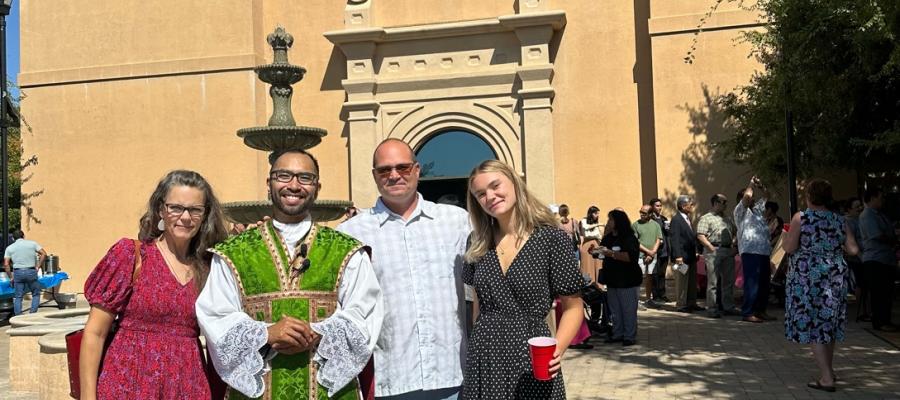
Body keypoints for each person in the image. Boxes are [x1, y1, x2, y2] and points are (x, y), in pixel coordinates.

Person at [197, 150, 384, 399]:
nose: (293, 185)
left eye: (305, 178)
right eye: (283, 176)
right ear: (269, 183)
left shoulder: (347, 250)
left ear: (317, 187)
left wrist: (319, 332)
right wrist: (266, 333)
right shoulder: (233, 253)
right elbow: (215, 315)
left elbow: (366, 313)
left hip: (329, 390)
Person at [337, 139, 469, 400]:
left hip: (452, 375)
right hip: (389, 379)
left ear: (417, 170)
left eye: (403, 168)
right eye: (384, 170)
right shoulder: (350, 234)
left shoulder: (456, 221)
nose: (394, 175)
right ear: (374, 176)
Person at [79, 170, 229, 399]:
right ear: (161, 209)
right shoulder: (131, 255)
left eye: (195, 209)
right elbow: (95, 332)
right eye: (176, 207)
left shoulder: (210, 267)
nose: (185, 217)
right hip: (128, 383)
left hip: (187, 385)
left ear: (205, 214)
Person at [463, 159, 584, 399]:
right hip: (485, 358)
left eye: (496, 185)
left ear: (515, 183)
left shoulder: (551, 239)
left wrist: (556, 349)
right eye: (480, 194)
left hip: (532, 355)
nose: (490, 196)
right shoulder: (476, 243)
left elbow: (573, 307)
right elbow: (477, 307)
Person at [783, 179, 859, 393]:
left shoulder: (802, 218)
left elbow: (789, 248)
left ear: (809, 196)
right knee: (828, 324)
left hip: (808, 278)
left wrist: (787, 237)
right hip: (834, 277)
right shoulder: (839, 220)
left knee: (813, 324)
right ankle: (830, 370)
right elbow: (853, 250)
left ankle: (826, 378)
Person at [599, 209, 643, 346]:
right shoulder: (608, 237)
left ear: (618, 221)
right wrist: (596, 252)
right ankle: (617, 333)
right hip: (612, 280)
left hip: (627, 281)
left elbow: (630, 257)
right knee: (615, 310)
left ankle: (629, 336)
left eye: (611, 220)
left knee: (628, 309)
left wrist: (611, 253)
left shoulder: (629, 238)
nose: (608, 222)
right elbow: (603, 252)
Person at [734, 176, 773, 323]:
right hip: (750, 251)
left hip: (763, 251)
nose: (752, 198)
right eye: (750, 197)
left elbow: (767, 196)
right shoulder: (740, 211)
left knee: (764, 282)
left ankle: (761, 310)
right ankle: (748, 312)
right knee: (752, 282)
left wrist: (761, 186)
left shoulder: (757, 210)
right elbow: (747, 196)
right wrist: (751, 183)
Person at [859, 187, 898, 332]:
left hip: (886, 258)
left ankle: (886, 320)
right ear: (872, 198)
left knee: (887, 292)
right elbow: (877, 235)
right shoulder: (867, 215)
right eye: (880, 198)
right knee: (879, 292)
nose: (882, 201)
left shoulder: (881, 215)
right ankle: (880, 322)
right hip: (875, 258)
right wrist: (892, 240)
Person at [695, 194, 738, 318]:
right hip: (713, 251)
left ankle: (728, 307)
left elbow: (735, 233)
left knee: (728, 282)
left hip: (727, 251)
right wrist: (710, 247)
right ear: (715, 203)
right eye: (723, 202)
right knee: (713, 282)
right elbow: (700, 235)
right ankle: (712, 308)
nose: (725, 204)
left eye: (726, 202)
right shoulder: (706, 218)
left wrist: (734, 247)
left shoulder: (727, 218)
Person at [3, 230, 48, 315]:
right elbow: (44, 254)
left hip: (18, 273)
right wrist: (38, 266)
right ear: (23, 236)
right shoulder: (32, 244)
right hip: (31, 271)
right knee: (35, 294)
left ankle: (18, 316)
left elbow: (6, 264)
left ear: (13, 238)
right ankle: (32, 314)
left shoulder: (9, 248)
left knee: (18, 296)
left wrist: (11, 277)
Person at [669, 195, 700, 313]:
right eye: (690, 204)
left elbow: (691, 238)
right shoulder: (676, 220)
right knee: (682, 282)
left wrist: (696, 251)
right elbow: (675, 239)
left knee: (692, 281)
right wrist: (678, 256)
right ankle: (681, 304)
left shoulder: (687, 218)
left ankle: (692, 303)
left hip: (691, 256)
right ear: (683, 206)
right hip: (681, 258)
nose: (692, 206)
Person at [632, 205, 662, 309]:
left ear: (650, 214)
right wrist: (648, 252)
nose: (641, 214)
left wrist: (653, 252)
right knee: (639, 278)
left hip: (653, 255)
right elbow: (635, 242)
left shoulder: (656, 225)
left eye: (644, 213)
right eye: (640, 212)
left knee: (649, 277)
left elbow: (659, 239)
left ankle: (648, 299)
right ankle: (637, 300)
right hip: (640, 256)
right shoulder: (635, 225)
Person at [648, 198, 671, 303]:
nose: (659, 208)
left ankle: (662, 294)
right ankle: (655, 295)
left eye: (660, 205)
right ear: (652, 207)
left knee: (662, 273)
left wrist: (668, 229)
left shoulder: (663, 219)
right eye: (657, 206)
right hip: (655, 250)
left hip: (665, 250)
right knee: (655, 273)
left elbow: (667, 234)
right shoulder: (649, 220)